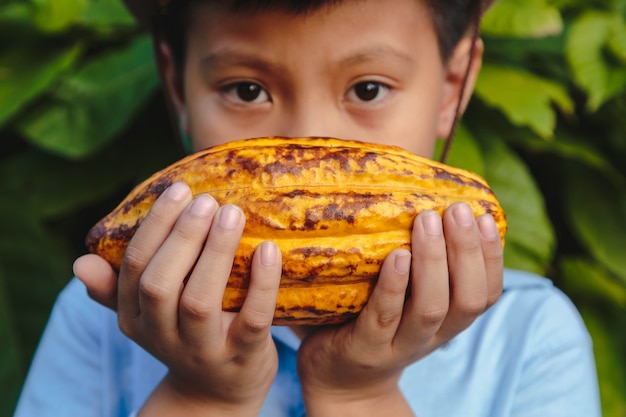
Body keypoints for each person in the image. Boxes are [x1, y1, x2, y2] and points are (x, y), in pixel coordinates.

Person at [14, 1, 601, 416]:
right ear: (176, 85)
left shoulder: (529, 338)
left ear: (452, 87)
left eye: (367, 89)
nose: (307, 142)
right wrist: (202, 399)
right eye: (247, 90)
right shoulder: (101, 320)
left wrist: (359, 397)